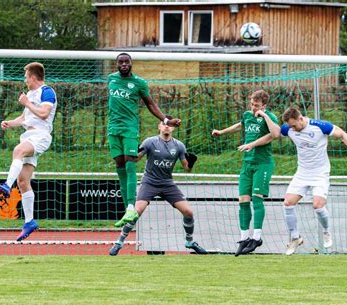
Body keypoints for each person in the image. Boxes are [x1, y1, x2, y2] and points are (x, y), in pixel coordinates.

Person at [247, 107, 347, 255]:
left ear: (300, 118)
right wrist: (253, 144)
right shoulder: (288, 128)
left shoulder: (320, 126)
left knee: (318, 206)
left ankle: (327, 231)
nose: (292, 129)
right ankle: (295, 238)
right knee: (288, 203)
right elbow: (272, 136)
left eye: (294, 125)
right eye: (290, 126)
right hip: (302, 173)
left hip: (320, 173)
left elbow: (342, 134)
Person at [109, 121, 207, 256]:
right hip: (149, 182)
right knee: (135, 213)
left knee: (188, 212)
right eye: (164, 124)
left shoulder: (179, 146)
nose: (167, 126)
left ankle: (189, 241)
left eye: (169, 125)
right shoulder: (150, 142)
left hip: (167, 184)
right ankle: (119, 243)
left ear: (172, 128)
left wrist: (191, 162)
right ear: (159, 127)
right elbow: (136, 159)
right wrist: (133, 150)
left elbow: (187, 168)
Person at [108, 53, 181, 226]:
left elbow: (150, 104)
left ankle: (132, 207)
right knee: (119, 166)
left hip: (130, 129)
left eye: (127, 62)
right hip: (113, 129)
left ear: (131, 64)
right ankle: (128, 211)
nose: (124, 64)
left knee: (130, 163)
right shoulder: (111, 79)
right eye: (121, 62)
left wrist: (165, 120)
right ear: (117, 64)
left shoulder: (139, 83)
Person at [212, 90, 280, 256]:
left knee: (257, 199)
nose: (253, 107)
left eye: (256, 105)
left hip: (262, 164)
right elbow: (240, 125)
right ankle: (244, 239)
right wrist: (222, 132)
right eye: (251, 104)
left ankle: (257, 238)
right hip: (247, 164)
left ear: (264, 105)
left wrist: (263, 117)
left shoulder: (270, 117)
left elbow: (275, 134)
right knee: (243, 200)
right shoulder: (247, 115)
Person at [0, 62, 57, 241]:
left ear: (32, 77)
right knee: (23, 181)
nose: (24, 81)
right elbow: (24, 118)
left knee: (18, 150)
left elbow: (44, 113)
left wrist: (27, 103)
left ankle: (7, 184)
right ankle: (29, 221)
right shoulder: (30, 94)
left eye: (25, 77)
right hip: (29, 135)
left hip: (41, 135)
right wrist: (10, 123)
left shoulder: (47, 91)